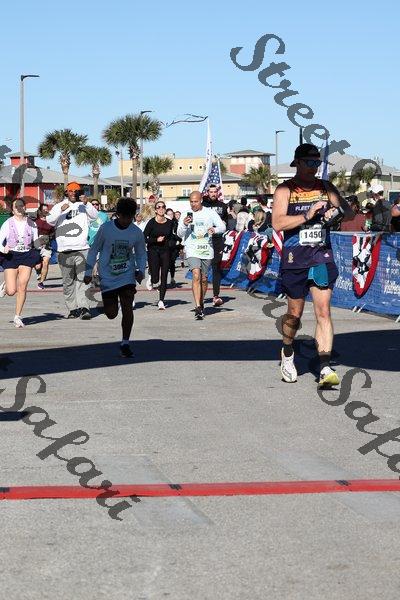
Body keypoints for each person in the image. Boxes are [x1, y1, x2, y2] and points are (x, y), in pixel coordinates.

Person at [272, 143, 352, 388]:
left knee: (324, 311)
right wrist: (307, 215)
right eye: (309, 162)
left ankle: (325, 367)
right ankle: (287, 351)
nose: (313, 167)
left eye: (317, 163)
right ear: (297, 163)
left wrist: (334, 213)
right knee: (294, 315)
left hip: (320, 256)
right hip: (295, 258)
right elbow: (277, 223)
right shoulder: (285, 189)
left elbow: (348, 211)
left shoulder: (325, 187)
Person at [84, 197, 146, 358]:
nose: (126, 221)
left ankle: (125, 343)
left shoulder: (136, 232)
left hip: (127, 276)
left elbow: (141, 253)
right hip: (108, 277)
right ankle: (110, 305)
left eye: (130, 217)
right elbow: (94, 250)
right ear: (118, 214)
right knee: (111, 313)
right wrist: (88, 272)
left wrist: (141, 270)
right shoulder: (106, 229)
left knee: (127, 308)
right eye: (123, 217)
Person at [46, 181, 98, 319]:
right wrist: (60, 210)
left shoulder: (84, 205)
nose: (73, 193)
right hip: (64, 250)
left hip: (82, 248)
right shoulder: (59, 206)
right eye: (71, 191)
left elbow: (95, 216)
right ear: (66, 192)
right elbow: (49, 220)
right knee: (68, 282)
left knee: (83, 280)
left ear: (80, 192)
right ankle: (72, 308)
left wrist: (87, 203)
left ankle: (84, 307)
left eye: (76, 191)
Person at [177, 191, 226, 320]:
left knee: (204, 279)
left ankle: (201, 301)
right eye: (191, 202)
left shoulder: (210, 212)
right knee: (196, 275)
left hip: (206, 249)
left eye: (196, 202)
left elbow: (222, 226)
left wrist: (215, 230)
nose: (193, 204)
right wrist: (184, 224)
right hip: (192, 249)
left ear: (201, 201)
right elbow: (179, 233)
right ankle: (198, 306)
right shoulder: (186, 214)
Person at [0, 198, 41, 327]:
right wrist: (3, 249)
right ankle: (5, 287)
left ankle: (17, 316)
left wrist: (39, 255)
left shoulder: (32, 223)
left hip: (27, 255)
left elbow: (36, 241)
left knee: (22, 286)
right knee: (11, 291)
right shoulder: (7, 223)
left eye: (21, 205)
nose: (19, 208)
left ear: (25, 207)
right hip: (11, 255)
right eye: (16, 206)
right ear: (12, 210)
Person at [143, 200, 174, 310]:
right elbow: (144, 237)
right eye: (159, 207)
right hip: (153, 250)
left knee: (164, 275)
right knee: (156, 279)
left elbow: (171, 237)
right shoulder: (151, 222)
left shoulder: (170, 223)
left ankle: (161, 300)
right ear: (155, 210)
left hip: (165, 251)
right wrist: (156, 240)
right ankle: (152, 277)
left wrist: (176, 244)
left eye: (163, 207)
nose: (161, 209)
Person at [202, 183, 229, 306]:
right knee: (204, 269)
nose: (213, 194)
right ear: (207, 193)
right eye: (211, 192)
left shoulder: (223, 206)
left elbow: (226, 222)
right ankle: (201, 295)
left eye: (215, 192)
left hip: (218, 240)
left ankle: (216, 296)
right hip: (205, 240)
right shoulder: (203, 205)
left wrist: (224, 223)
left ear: (218, 193)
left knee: (216, 267)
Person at [34, 204, 55, 289]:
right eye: (44, 209)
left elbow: (53, 233)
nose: (46, 211)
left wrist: (49, 238)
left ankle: (41, 282)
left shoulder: (50, 221)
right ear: (40, 211)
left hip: (46, 244)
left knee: (45, 262)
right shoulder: (35, 222)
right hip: (36, 243)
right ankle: (38, 272)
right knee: (38, 266)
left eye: (47, 209)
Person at [166, 208, 181, 287]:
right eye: (168, 214)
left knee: (172, 262)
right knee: (166, 263)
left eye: (171, 214)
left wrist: (179, 240)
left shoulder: (176, 223)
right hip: (165, 245)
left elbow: (179, 234)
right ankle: (163, 279)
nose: (170, 216)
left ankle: (172, 278)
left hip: (174, 245)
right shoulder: (163, 222)